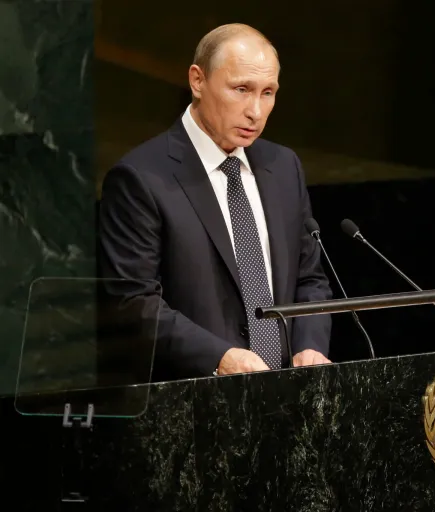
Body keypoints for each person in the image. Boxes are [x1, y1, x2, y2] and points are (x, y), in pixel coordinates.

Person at [98, 24, 332, 380]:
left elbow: (310, 279)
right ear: (197, 81)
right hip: (193, 404)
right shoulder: (141, 178)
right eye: (241, 89)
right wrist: (220, 357)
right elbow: (132, 303)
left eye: (268, 93)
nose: (256, 111)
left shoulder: (283, 167)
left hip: (286, 398)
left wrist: (309, 345)